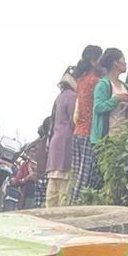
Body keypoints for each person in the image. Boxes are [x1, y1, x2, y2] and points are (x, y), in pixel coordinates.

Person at [80, 48, 127, 193]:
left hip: (122, 138)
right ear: (115, 63)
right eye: (123, 59)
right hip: (105, 139)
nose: (125, 63)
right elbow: (98, 108)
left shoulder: (124, 86)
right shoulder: (103, 84)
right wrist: (116, 99)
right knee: (99, 179)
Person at [68, 45, 103, 200]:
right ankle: (78, 205)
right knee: (85, 175)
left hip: (78, 132)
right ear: (94, 61)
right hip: (89, 132)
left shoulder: (81, 80)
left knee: (76, 175)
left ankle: (70, 202)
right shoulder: (96, 81)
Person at [43, 69, 76, 206]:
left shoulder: (59, 97)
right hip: (67, 141)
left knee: (52, 188)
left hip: (55, 141)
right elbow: (74, 120)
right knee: (64, 188)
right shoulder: (73, 96)